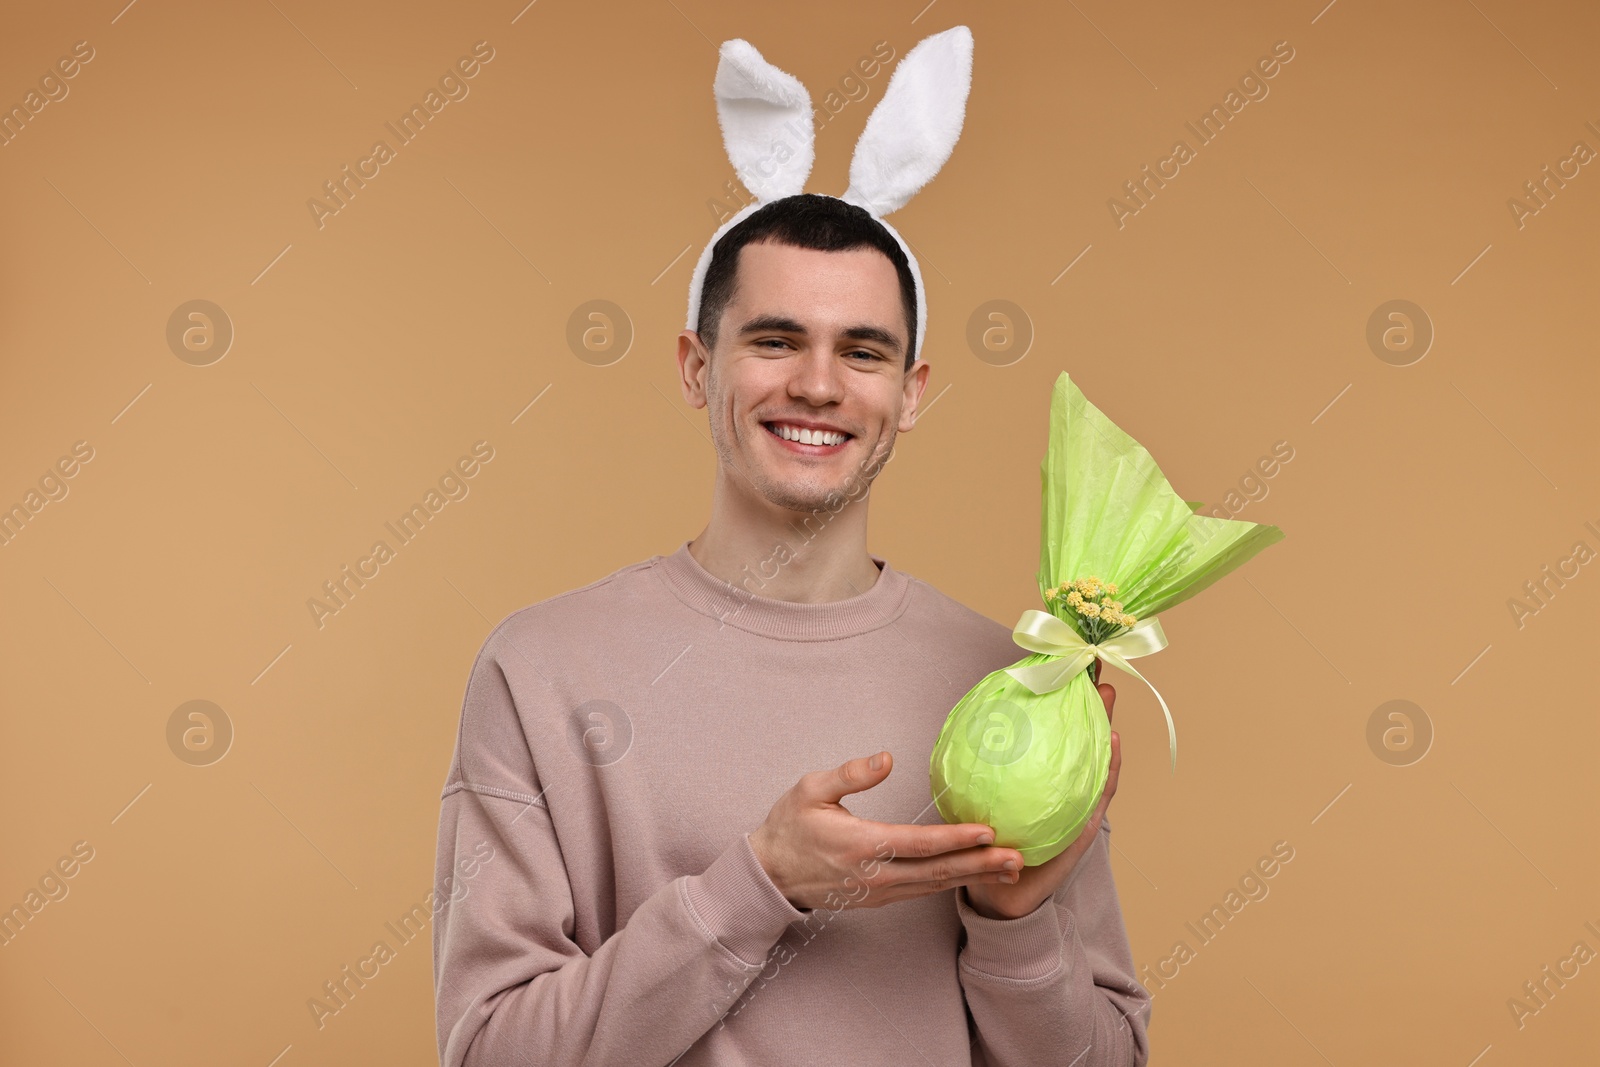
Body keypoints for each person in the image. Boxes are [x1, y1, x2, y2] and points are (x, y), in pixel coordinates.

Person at [431, 192, 1152, 1065]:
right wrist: (760, 883)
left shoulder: (1019, 682)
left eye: (863, 350)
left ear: (911, 392)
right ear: (697, 368)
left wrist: (1016, 924)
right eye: (775, 341)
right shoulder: (540, 668)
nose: (817, 383)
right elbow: (488, 1053)